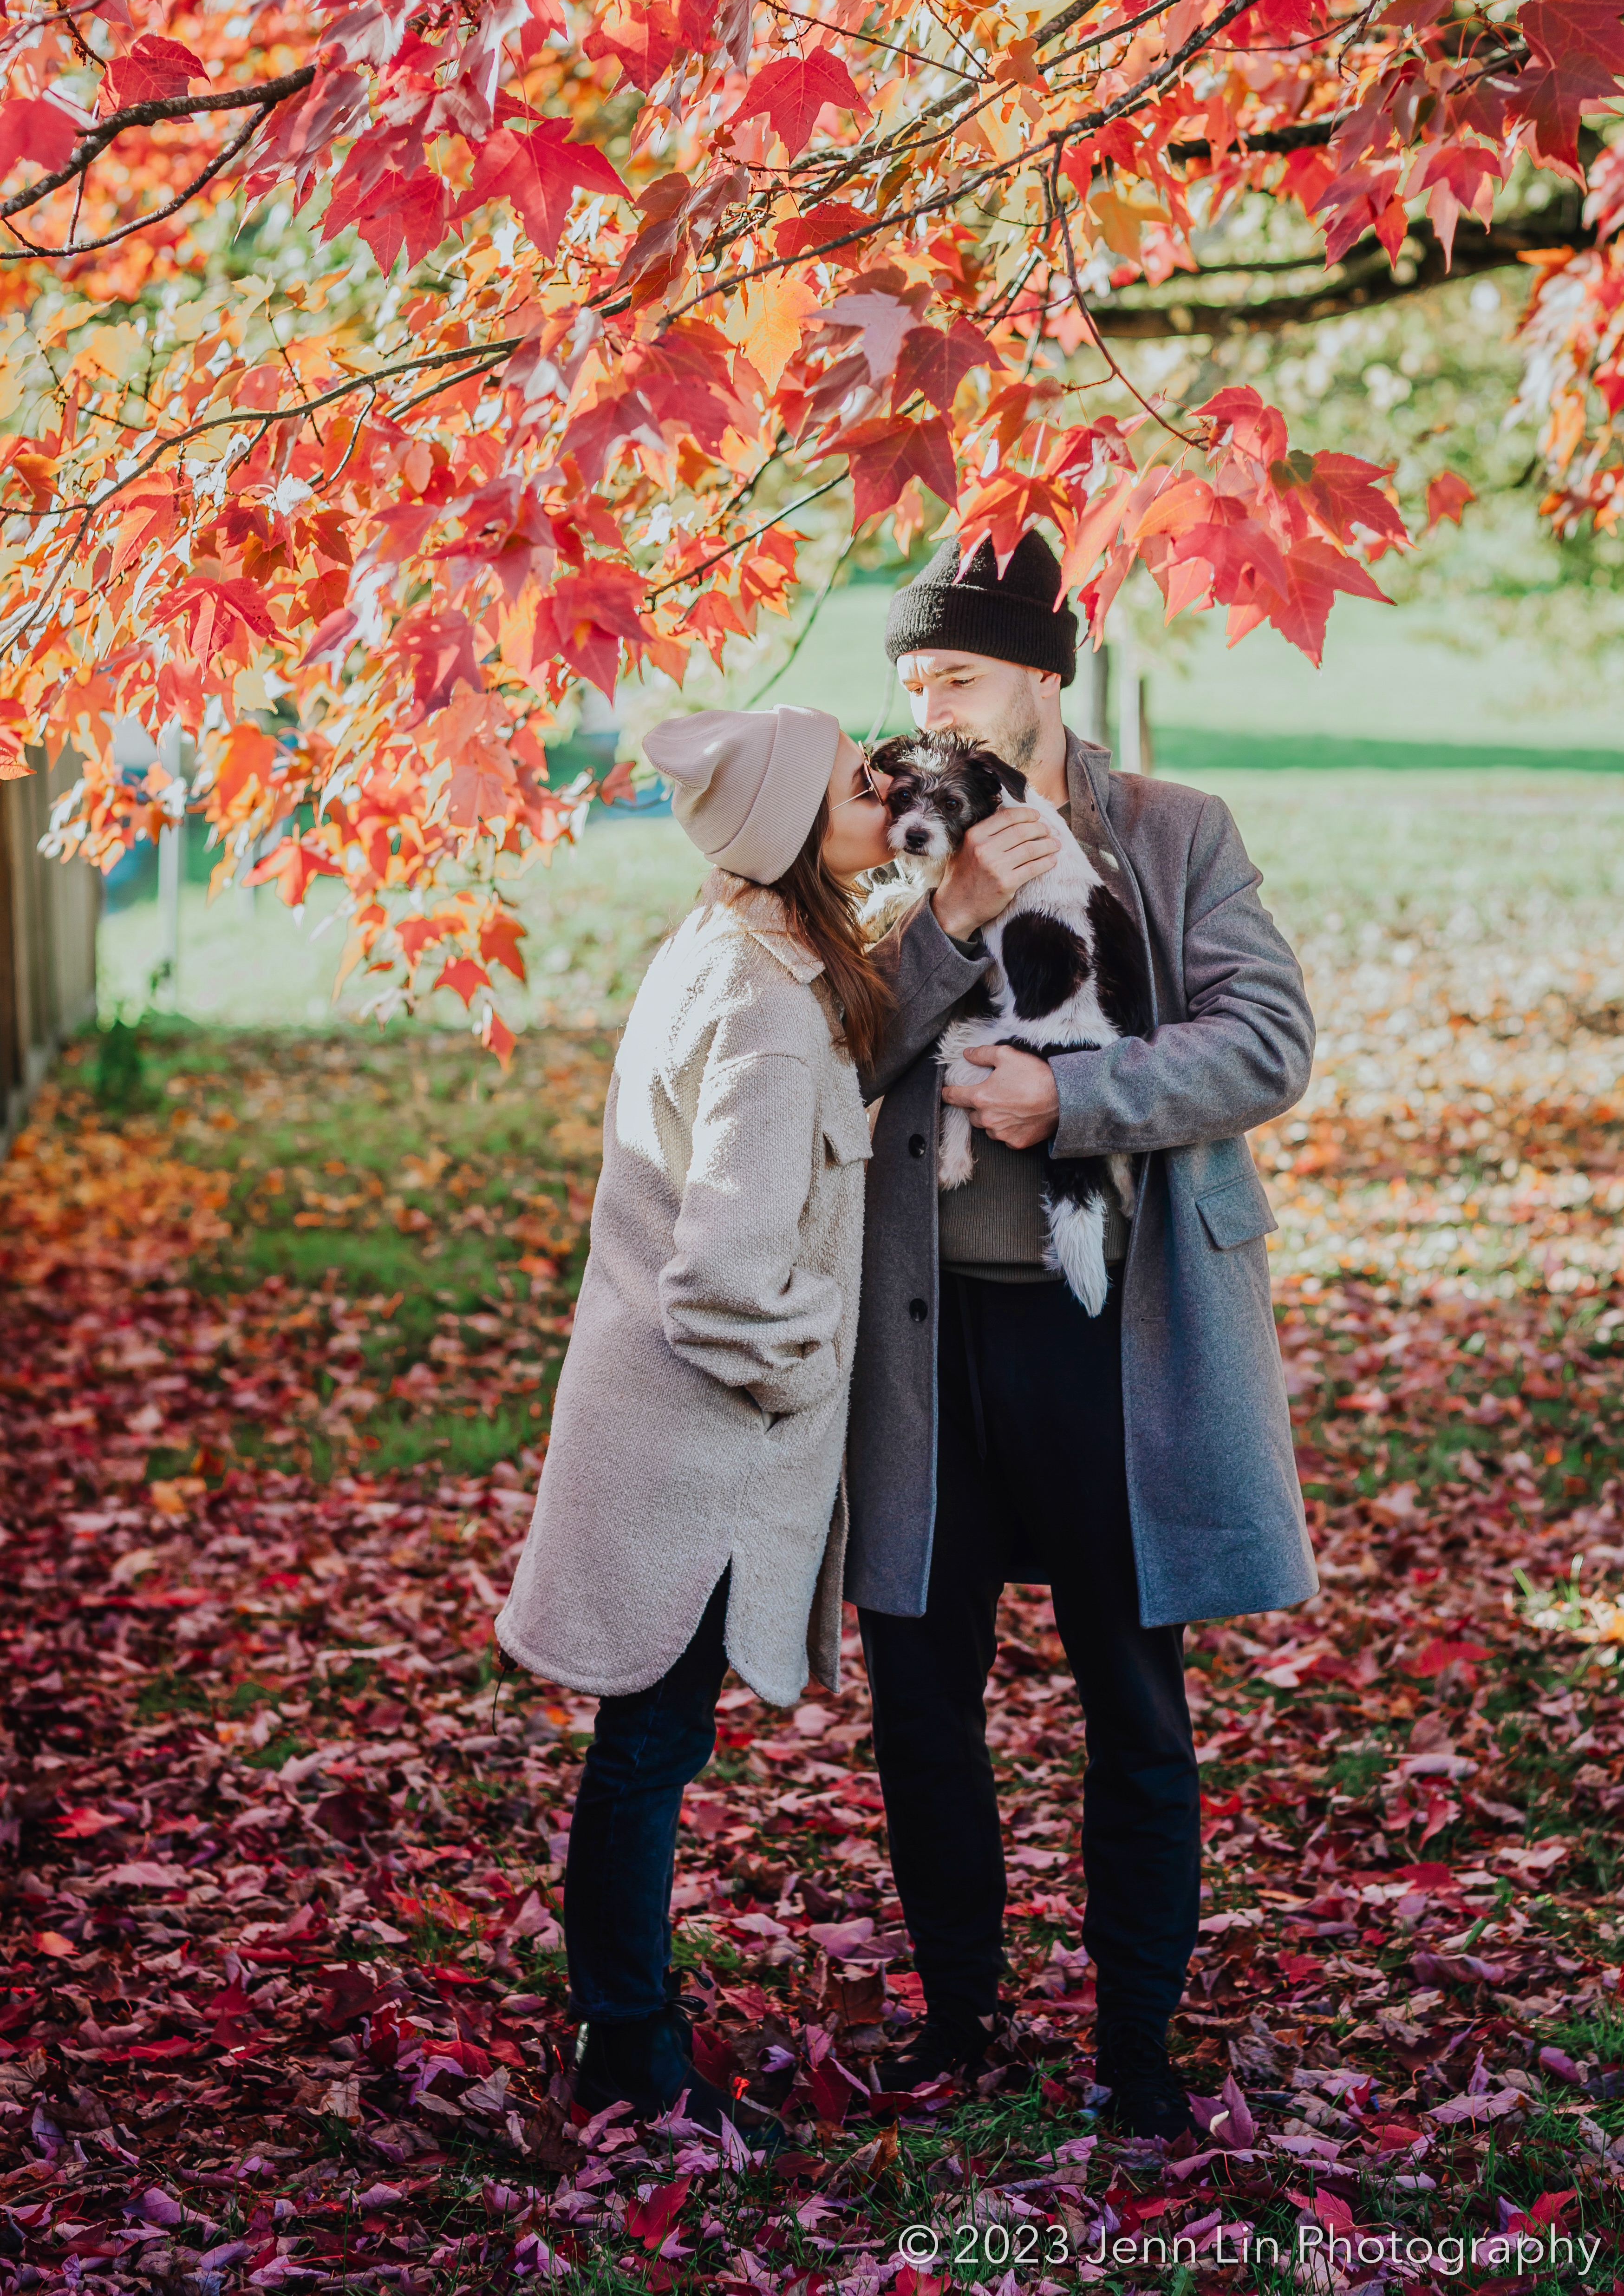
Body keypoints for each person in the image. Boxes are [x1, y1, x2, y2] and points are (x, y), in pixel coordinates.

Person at [846, 530, 1320, 2139]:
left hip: (1112, 1335)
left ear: (1041, 676)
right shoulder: (906, 844)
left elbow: (1263, 1041)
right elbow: (847, 1049)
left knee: (1130, 1692)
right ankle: (957, 2015)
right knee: (920, 1695)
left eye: (959, 676)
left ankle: (1137, 2045)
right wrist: (949, 920)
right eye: (913, 685)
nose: (935, 709)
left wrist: (1074, 1100)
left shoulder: (1174, 833)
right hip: (926, 1346)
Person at [495, 704, 898, 2133]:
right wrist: (806, 1384)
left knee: (646, 1744)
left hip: (657, 1441)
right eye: (861, 782)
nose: (886, 789)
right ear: (794, 830)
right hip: (694, 1457)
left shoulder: (733, 946)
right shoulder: (769, 1011)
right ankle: (630, 2055)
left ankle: (628, 2029)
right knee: (649, 1751)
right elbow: (724, 1279)